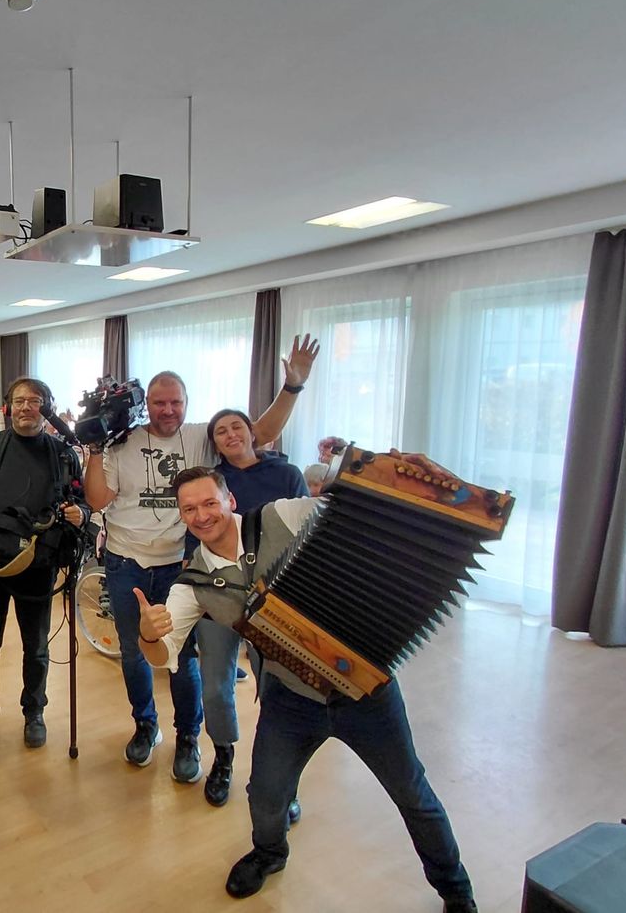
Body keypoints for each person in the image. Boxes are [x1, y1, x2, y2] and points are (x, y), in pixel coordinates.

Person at [134, 467, 476, 912]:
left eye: (209, 502)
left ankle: (455, 890)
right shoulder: (192, 584)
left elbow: (355, 514)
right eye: (189, 509)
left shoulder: (283, 516)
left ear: (229, 500)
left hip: (365, 695)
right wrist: (147, 634)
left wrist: (395, 477)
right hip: (291, 699)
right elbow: (164, 655)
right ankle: (271, 853)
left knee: (413, 795)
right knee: (266, 793)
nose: (201, 515)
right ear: (181, 516)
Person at [82, 334, 318, 782]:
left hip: (182, 566)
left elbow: (258, 434)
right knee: (136, 653)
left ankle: (188, 736)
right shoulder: (120, 442)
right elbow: (97, 501)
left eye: (175, 402)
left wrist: (292, 387)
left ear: (187, 404)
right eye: (158, 402)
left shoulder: (200, 439)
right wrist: (95, 448)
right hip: (125, 561)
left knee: (185, 658)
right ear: (145, 404)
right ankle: (145, 725)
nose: (167, 410)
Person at [0, 377, 87, 760]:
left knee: (36, 647)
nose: (24, 408)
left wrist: (79, 513)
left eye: (34, 401)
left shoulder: (63, 454)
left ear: (46, 408)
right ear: (8, 407)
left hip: (39, 564)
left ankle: (35, 712)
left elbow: (83, 501)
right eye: (18, 401)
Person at [197, 409, 308, 813]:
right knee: (214, 685)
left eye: (237, 427)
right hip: (219, 594)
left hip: (274, 600)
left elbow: (305, 532)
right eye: (220, 431)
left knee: (279, 694)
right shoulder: (211, 481)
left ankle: (283, 783)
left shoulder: (287, 475)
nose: (230, 435)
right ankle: (223, 756)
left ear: (252, 433)